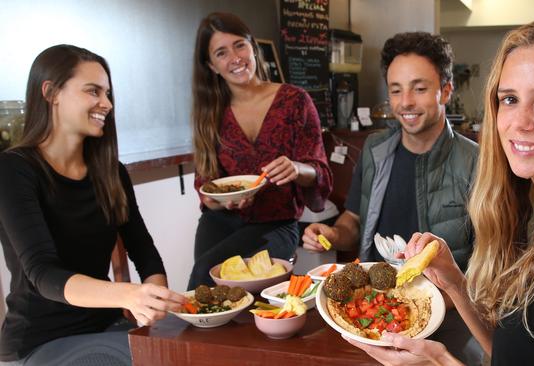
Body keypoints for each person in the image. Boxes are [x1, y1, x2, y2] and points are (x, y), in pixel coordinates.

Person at [347, 8, 534, 366]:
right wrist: (455, 283)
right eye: (509, 99)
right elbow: (512, 354)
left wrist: (441, 363)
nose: (519, 122)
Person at [0, 45, 186, 366]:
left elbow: (144, 251)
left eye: (108, 93)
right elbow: (43, 274)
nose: (107, 104)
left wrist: (156, 304)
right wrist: (129, 294)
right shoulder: (14, 169)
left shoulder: (111, 171)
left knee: (184, 351)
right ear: (51, 92)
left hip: (105, 326)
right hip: (40, 341)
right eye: (93, 91)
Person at [303, 32, 481, 364]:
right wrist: (331, 234)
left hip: (448, 321)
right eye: (396, 90)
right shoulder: (375, 149)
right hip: (369, 312)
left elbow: (491, 269)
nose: (405, 103)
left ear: (446, 90)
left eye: (419, 88)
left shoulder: (478, 163)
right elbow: (353, 221)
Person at [187, 12, 332, 289]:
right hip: (220, 221)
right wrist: (224, 201)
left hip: (275, 224)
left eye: (240, 45)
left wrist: (296, 168)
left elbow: (320, 173)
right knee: (206, 291)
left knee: (213, 274)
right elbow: (207, 190)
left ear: (253, 46)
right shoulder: (209, 113)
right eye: (221, 53)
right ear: (212, 65)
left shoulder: (294, 101)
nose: (235, 58)